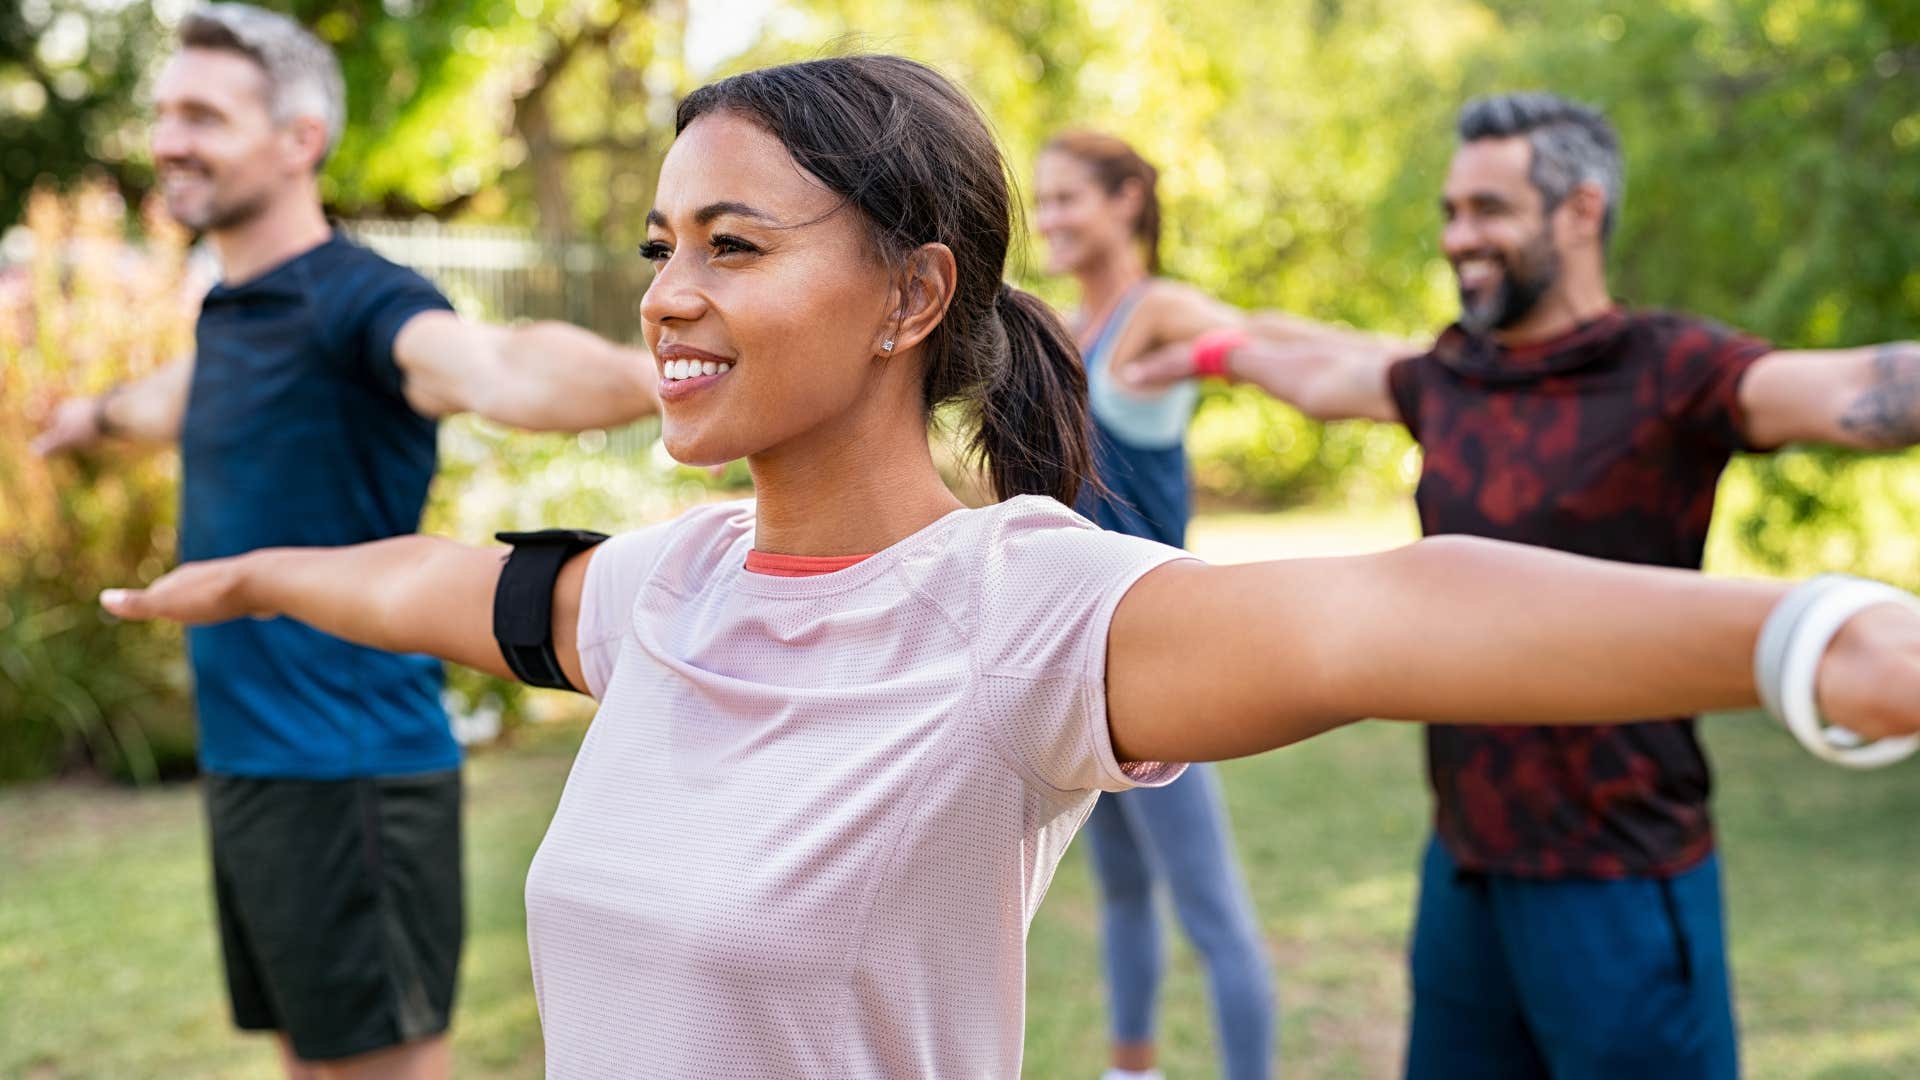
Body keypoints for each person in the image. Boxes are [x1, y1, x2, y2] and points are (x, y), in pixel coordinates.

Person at [96, 58, 1920, 1080]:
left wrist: (1817, 637)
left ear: (913, 295)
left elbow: (1392, 607)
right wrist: (255, 574)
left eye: (734, 243)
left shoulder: (1018, 616)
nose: (666, 293)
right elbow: (447, 583)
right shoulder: (670, 594)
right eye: (663, 243)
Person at [1123, 92, 1920, 1079]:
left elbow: (1855, 391)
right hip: (1465, 871)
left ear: (1581, 212)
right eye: (1453, 212)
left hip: (1619, 876)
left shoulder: (1671, 369)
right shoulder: (1450, 373)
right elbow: (1323, 369)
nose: (1461, 237)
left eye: (1490, 210)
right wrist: (1204, 356)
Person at [31, 6, 659, 1078]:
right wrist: (89, 421)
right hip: (255, 768)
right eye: (165, 111)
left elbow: (494, 367)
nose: (169, 137)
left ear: (299, 138)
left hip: (350, 770)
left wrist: (667, 379)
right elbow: (176, 400)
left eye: (203, 114)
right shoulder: (237, 311)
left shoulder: (360, 301)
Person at [1033, 131, 1273, 1080]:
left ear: (1128, 199)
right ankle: (1131, 1072)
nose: (1048, 219)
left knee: (1208, 908)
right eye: (1042, 201)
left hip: (1165, 649)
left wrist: (1209, 357)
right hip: (1083, 653)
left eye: (1067, 200)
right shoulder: (1064, 328)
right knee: (1124, 887)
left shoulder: (1160, 310)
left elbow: (1262, 342)